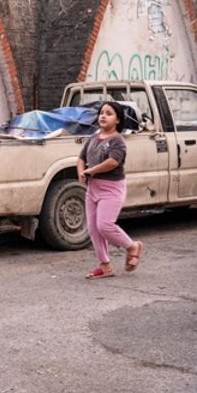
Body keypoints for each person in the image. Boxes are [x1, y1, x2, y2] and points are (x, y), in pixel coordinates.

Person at [77, 99, 143, 278]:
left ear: (118, 120)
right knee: (93, 228)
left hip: (111, 189)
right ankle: (105, 266)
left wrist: (91, 170)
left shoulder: (118, 141)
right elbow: (81, 157)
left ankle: (132, 246)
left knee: (104, 225)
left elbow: (112, 162)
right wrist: (82, 172)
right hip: (93, 189)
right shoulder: (93, 137)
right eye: (101, 113)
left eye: (109, 113)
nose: (103, 116)